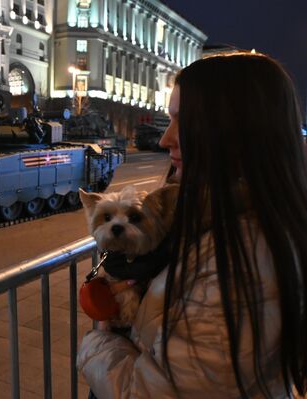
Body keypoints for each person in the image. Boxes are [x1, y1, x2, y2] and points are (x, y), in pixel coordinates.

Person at [77, 52, 307, 398]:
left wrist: (96, 343)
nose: (165, 139)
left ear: (234, 132)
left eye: (181, 122)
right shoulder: (219, 222)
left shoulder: (240, 259)